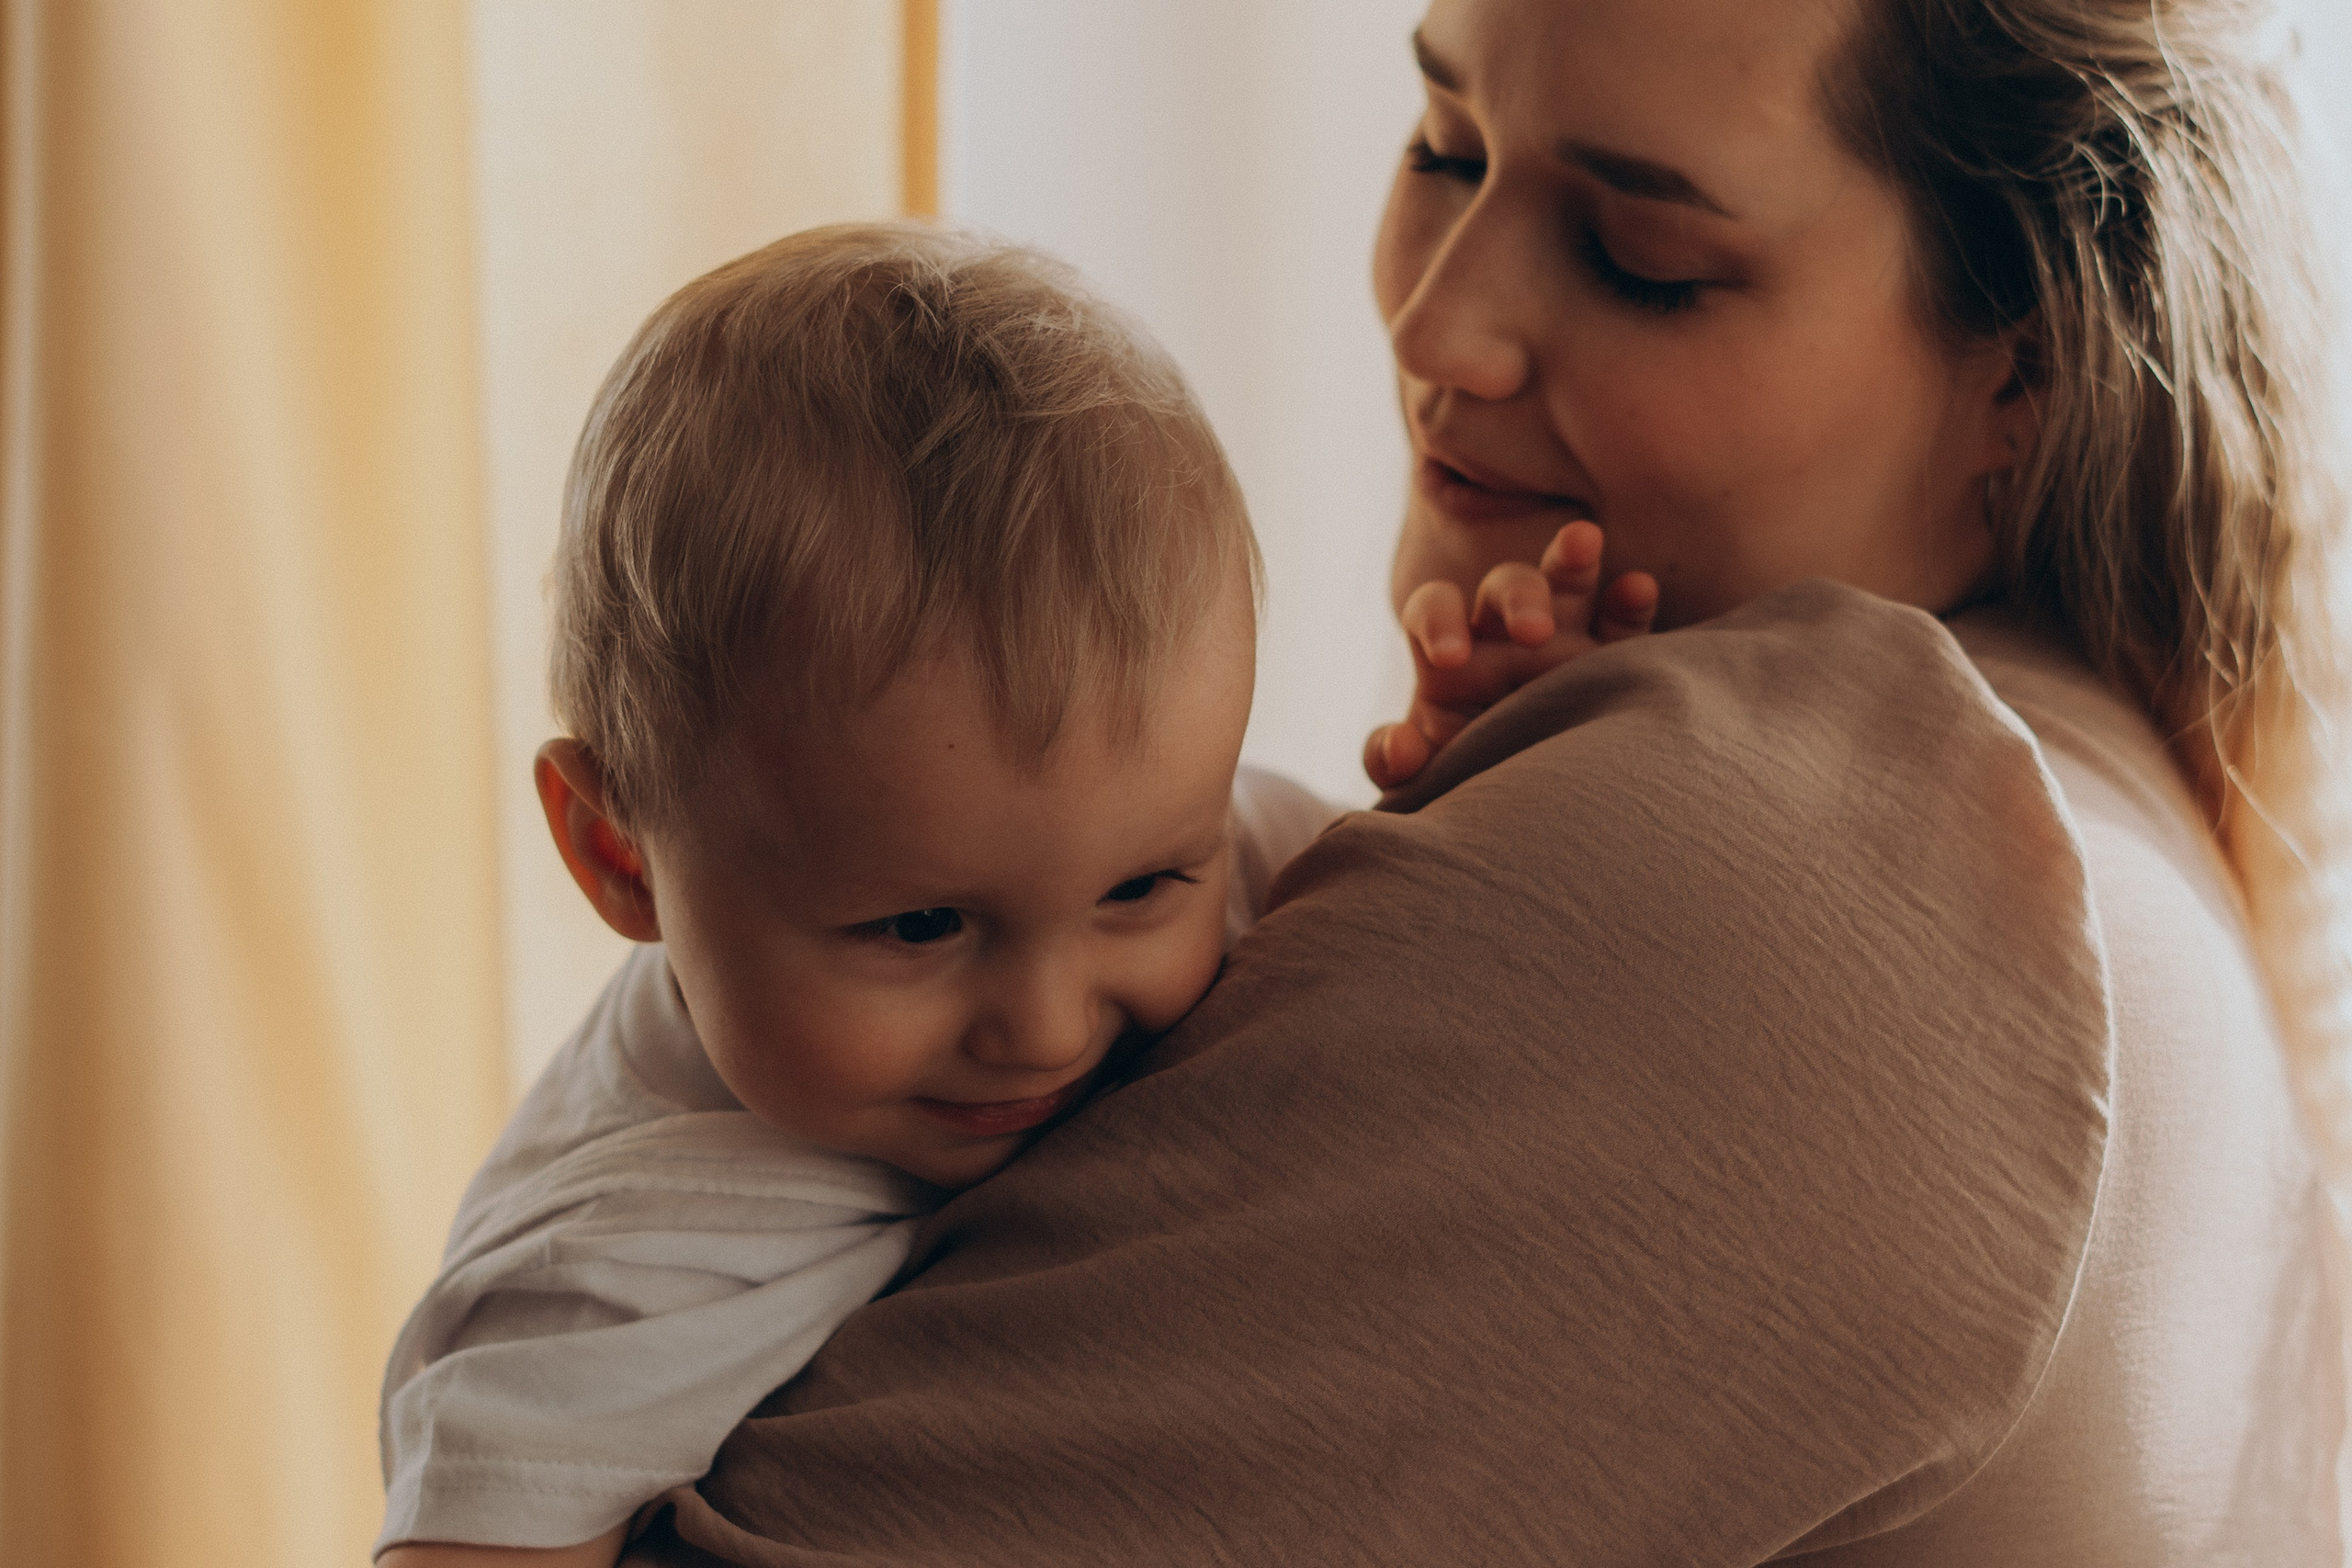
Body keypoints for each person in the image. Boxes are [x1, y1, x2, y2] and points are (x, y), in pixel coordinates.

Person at [616, 0, 2350, 1562]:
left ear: (2023, 376)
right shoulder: (2089, 793)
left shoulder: (1795, 871)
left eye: (1640, 257)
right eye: (1446, 148)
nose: (1442, 326)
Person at [373, 222, 1657, 1566]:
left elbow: (1447, 965)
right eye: (922, 927)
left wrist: (1499, 754)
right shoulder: (619, 1265)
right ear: (619, 855)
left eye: (1141, 887)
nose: (1046, 1024)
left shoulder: (1208, 840)